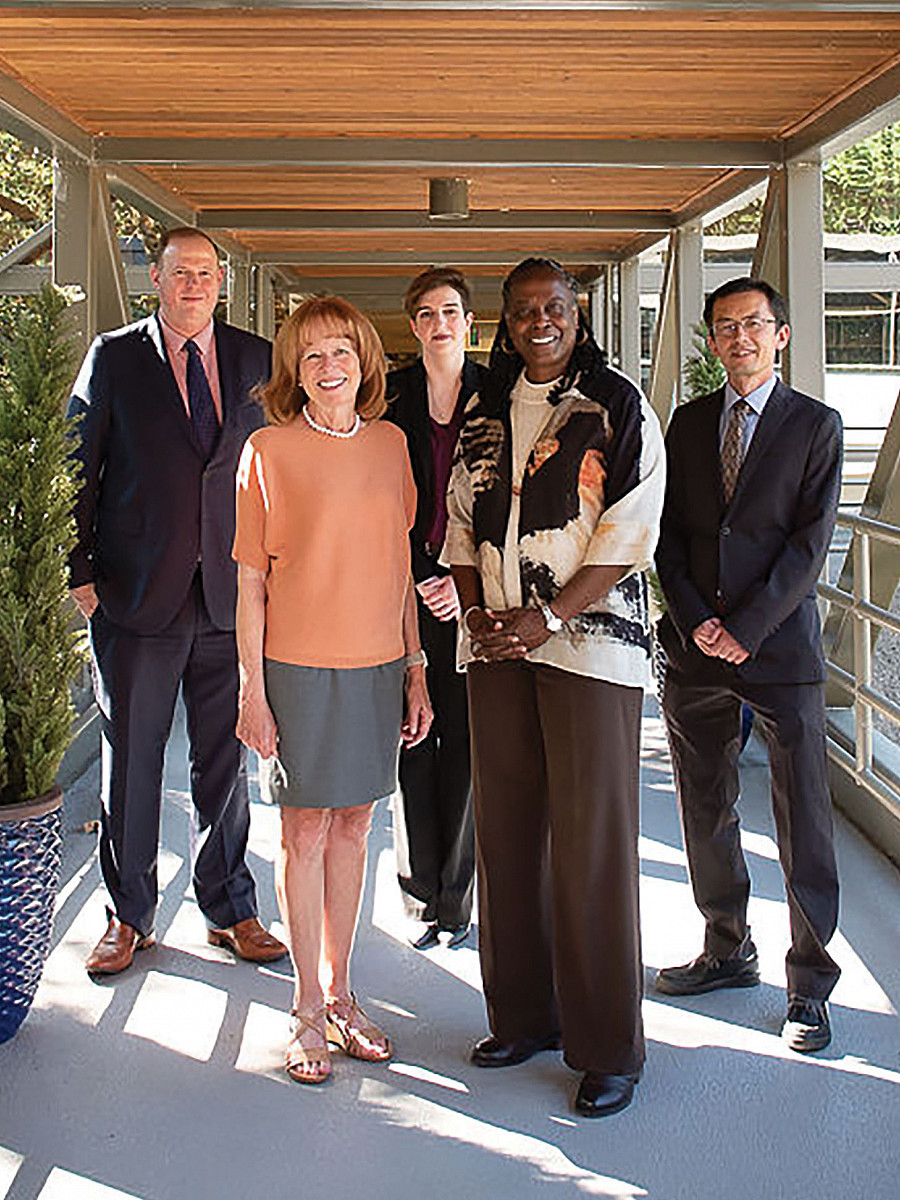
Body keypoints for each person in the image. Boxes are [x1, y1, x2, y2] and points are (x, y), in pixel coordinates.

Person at [443, 257, 665, 1118]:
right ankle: (523, 1018)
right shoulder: (483, 409)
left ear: (579, 313)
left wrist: (549, 616)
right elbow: (460, 522)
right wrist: (475, 613)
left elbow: (631, 528)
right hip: (496, 644)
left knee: (590, 843)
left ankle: (608, 1048)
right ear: (505, 322)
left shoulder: (617, 403)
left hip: (589, 645)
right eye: (525, 309)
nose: (542, 320)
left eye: (557, 306)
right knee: (506, 834)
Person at [68, 227, 288, 976]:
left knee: (225, 762)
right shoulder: (114, 357)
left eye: (205, 272)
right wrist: (79, 573)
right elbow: (77, 466)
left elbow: (284, 469)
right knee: (131, 760)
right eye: (180, 272)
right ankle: (128, 916)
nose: (194, 284)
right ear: (155, 280)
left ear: (220, 281)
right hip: (134, 595)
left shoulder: (257, 358)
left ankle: (229, 908)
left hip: (232, 596)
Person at [233, 295, 432, 1085]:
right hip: (297, 667)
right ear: (294, 369)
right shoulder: (267, 450)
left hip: (378, 666)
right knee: (304, 833)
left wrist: (416, 668)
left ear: (364, 362)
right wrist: (252, 690)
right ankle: (306, 1009)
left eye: (341, 351)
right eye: (310, 354)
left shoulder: (391, 444)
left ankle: (344, 994)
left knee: (355, 827)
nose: (327, 366)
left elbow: (401, 568)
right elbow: (250, 584)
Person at [654, 276, 843, 1054]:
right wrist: (696, 620)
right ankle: (727, 947)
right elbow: (666, 534)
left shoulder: (816, 425)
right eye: (726, 326)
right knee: (705, 806)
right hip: (697, 649)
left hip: (780, 650)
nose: (741, 337)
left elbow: (809, 545)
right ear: (711, 340)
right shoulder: (688, 423)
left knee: (804, 818)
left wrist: (748, 628)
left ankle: (810, 985)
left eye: (754, 325)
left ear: (781, 335)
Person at [385, 267, 487, 951]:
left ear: (468, 323)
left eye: (451, 311)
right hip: (406, 592)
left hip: (478, 594)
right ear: (414, 326)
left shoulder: (499, 393)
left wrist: (460, 577)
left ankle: (458, 898)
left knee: (470, 749)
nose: (439, 323)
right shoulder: (391, 398)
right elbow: (377, 496)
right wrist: (424, 575)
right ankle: (420, 897)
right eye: (426, 313)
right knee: (414, 741)